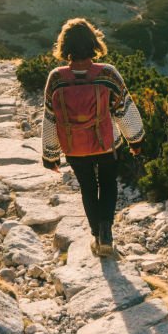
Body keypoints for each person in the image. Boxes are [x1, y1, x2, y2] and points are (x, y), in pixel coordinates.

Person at [41, 18, 144, 257]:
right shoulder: (107, 73)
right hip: (105, 144)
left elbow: (50, 117)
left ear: (64, 46)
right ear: (93, 44)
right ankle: (106, 232)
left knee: (88, 188)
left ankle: (96, 237)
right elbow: (123, 109)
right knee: (108, 185)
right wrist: (136, 141)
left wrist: (50, 155)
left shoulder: (56, 78)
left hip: (74, 148)